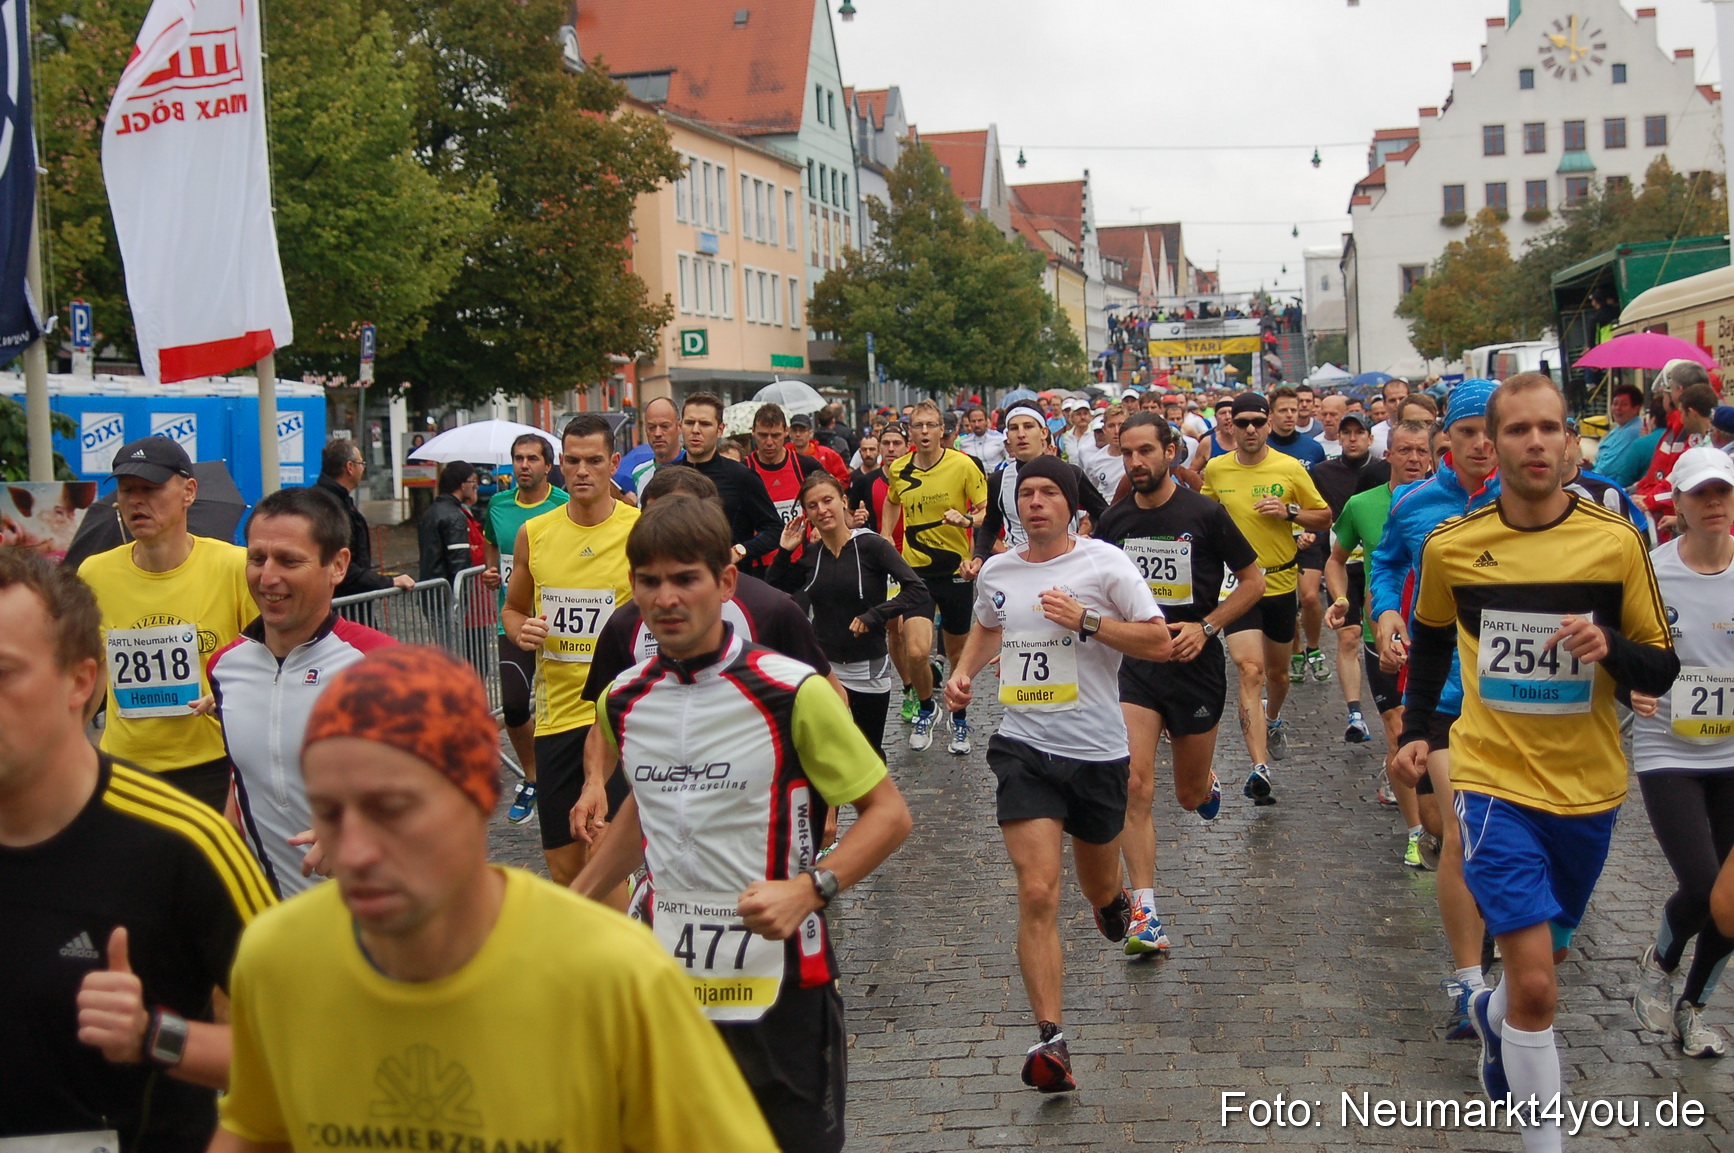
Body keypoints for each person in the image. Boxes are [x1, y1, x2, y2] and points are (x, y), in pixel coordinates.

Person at [211, 646, 778, 1153]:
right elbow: (257, 1129)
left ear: (480, 798)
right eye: (330, 812)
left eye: (394, 809)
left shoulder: (612, 974)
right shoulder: (277, 957)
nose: (355, 852)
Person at [572, 497, 912, 1153]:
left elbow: (890, 815)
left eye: (685, 578)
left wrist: (809, 889)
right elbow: (645, 801)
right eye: (649, 580)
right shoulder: (623, 697)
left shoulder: (791, 690)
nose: (666, 597)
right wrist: (573, 904)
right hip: (671, 980)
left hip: (783, 981)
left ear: (725, 582)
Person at [1391, 374, 1677, 1152]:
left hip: (1587, 787)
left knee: (1536, 967)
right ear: (1486, 444)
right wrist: (1418, 728)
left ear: (1572, 440)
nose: (1536, 443)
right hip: (1491, 780)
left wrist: (1606, 646)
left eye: (1551, 428)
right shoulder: (1454, 544)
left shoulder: (1616, 542)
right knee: (1541, 988)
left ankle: (1491, 1016)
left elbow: (1659, 668)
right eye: (1517, 430)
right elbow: (1434, 640)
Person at [0, 549, 274, 1153]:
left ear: (81, 682)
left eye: (2, 674)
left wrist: (155, 1036)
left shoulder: (184, 843)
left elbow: (300, 1053)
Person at [943, 455, 1171, 1091]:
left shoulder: (1105, 564)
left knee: (1098, 887)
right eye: (1027, 492)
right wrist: (963, 674)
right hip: (1024, 747)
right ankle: (1052, 1040)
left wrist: (1087, 620)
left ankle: (1112, 903)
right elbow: (989, 628)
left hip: (1098, 753)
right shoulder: (998, 570)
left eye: (1050, 492)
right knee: (1039, 890)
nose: (1037, 501)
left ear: (1071, 505)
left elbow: (1158, 641)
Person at [571, 467, 844, 844]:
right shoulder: (624, 623)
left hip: (761, 827)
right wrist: (594, 783)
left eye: (683, 515)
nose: (670, 529)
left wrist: (827, 802)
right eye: (655, 517)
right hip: (667, 823)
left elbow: (832, 698)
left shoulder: (772, 609)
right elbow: (606, 722)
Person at [1094, 414, 1263, 954]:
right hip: (1136, 667)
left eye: (1146, 451)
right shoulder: (1114, 522)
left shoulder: (1205, 514)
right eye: (1127, 453)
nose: (1136, 462)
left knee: (1186, 797)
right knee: (1134, 785)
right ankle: (1146, 915)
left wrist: (1208, 625)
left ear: (1171, 451)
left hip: (1195, 663)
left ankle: (1204, 784)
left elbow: (1255, 581)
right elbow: (1094, 592)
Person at [1373, 380, 1500, 1036]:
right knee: (1456, 828)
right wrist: (1388, 608)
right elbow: (1387, 563)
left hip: (1524, 701)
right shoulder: (1420, 503)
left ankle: (1500, 921)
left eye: (1495, 429)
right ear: (1449, 435)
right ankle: (1470, 980)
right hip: (1447, 693)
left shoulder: (1537, 502)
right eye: (1471, 430)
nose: (1484, 444)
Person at [209, 487, 395, 898]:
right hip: (279, 921)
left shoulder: (381, 662)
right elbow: (244, 779)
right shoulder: (224, 668)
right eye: (257, 558)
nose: (268, 577)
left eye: (289, 561)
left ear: (338, 565)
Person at [77, 436, 257, 811]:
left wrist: (227, 694)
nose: (136, 501)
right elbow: (91, 668)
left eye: (151, 489)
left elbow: (268, 658)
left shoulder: (232, 566)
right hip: (126, 767)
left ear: (189, 491)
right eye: (127, 490)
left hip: (213, 765)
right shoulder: (95, 572)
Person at [501, 415, 638, 887]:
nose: (582, 471)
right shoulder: (534, 533)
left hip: (620, 716)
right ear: (560, 464)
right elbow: (513, 609)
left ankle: (623, 957)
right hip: (558, 717)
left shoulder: (639, 531)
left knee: (608, 858)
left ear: (613, 463)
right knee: (564, 866)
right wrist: (523, 631)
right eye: (573, 461)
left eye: (594, 461)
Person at [1628, 447, 1734, 1059]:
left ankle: (1693, 1009)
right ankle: (1662, 958)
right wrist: (1630, 685)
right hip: (1669, 747)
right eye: (1701, 494)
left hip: (1733, 755)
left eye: (1723, 491)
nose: (1714, 503)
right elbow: (1624, 647)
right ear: (1680, 503)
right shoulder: (1652, 571)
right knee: (1703, 885)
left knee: (1731, 901)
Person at [1200, 394, 1331, 805]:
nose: (1251, 429)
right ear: (1230, 426)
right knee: (1249, 669)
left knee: (1277, 675)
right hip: (1236, 587)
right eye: (1243, 422)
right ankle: (1260, 767)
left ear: (1269, 423)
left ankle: (1272, 719)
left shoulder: (1289, 468)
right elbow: (1204, 514)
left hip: (1279, 583)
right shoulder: (1217, 468)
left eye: (1258, 421)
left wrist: (1290, 512)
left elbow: (1324, 516)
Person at [1325, 419, 1433, 865]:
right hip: (1381, 635)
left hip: (1440, 638)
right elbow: (1334, 559)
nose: (1413, 459)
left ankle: (1446, 816)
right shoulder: (1363, 504)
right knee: (1398, 732)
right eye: (1404, 450)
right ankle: (1417, 832)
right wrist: (1343, 598)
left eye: (1421, 451)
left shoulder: (1451, 504)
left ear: (1432, 456)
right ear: (1386, 454)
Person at [767, 472, 930, 758]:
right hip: (825, 667)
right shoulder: (813, 554)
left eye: (828, 500)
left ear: (844, 502)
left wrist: (874, 616)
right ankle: (832, 806)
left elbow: (917, 590)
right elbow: (776, 586)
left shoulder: (871, 546)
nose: (822, 510)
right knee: (830, 754)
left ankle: (878, 804)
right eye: (813, 505)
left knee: (867, 753)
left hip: (868, 667)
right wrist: (784, 551)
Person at [882, 399, 989, 754]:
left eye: (931, 425)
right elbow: (893, 499)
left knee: (957, 655)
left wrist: (967, 521)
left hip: (956, 571)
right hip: (916, 571)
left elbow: (984, 511)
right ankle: (927, 707)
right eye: (918, 426)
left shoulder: (963, 465)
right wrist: (886, 535)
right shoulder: (898, 468)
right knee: (916, 649)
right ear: (909, 431)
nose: (924, 432)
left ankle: (959, 719)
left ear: (943, 430)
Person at [480, 434, 569, 823]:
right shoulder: (498, 505)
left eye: (532, 458)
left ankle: (573, 778)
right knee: (514, 706)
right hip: (514, 618)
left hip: (558, 621)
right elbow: (490, 545)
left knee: (572, 708)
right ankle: (534, 776)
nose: (523, 465)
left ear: (548, 466)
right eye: (518, 458)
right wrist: (489, 572)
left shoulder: (564, 505)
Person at [1308, 410, 1391, 741]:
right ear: (1338, 439)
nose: (1353, 438)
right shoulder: (1323, 472)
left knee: (1380, 637)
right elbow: (1310, 509)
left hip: (1378, 565)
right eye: (1347, 433)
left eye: (1360, 432)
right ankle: (1355, 712)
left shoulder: (1385, 471)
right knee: (1348, 636)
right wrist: (1305, 534)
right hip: (1340, 563)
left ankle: (1391, 703)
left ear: (1371, 438)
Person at [972, 402, 1110, 572]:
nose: (1021, 434)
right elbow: (990, 525)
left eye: (1028, 426)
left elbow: (1105, 515)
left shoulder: (1069, 474)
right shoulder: (998, 480)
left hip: (1068, 569)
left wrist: (1092, 544)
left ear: (1044, 432)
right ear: (1007, 436)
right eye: (1014, 428)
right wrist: (978, 558)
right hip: (1020, 570)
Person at [679, 392, 784, 567]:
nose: (695, 430)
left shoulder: (741, 477)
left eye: (705, 424)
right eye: (690, 423)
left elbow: (775, 530)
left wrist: (739, 551)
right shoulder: (667, 477)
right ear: (680, 425)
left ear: (720, 430)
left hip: (730, 582)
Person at [316, 439, 415, 599]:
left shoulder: (336, 501)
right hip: (342, 603)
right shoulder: (328, 507)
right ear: (349, 467)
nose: (363, 468)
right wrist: (388, 582)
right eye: (361, 463)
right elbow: (341, 565)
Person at [747, 402, 826, 540]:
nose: (769, 442)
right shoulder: (743, 470)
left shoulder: (806, 465)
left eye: (776, 435)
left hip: (801, 558)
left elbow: (832, 498)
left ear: (786, 432)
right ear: (753, 431)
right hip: (761, 558)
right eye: (763, 435)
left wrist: (821, 529)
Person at [416, 461, 480, 584]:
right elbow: (459, 564)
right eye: (472, 481)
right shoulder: (455, 516)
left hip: (429, 588)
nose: (475, 486)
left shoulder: (430, 511)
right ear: (463, 485)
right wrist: (462, 595)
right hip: (446, 592)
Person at [615, 395, 685, 497]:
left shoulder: (696, 469)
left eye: (665, 426)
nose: (657, 433)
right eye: (651, 427)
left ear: (679, 427)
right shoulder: (638, 474)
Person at [1591, 384, 1648, 485]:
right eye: (1615, 403)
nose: (1618, 408)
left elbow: (1609, 468)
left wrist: (1587, 477)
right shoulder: (1618, 428)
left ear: (1636, 409)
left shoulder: (1632, 431)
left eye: (1624, 404)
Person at [789, 413, 850, 485]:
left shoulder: (827, 454)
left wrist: (829, 487)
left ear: (810, 432)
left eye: (802, 430)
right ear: (790, 433)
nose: (798, 434)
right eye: (794, 430)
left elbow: (844, 478)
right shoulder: (785, 457)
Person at [957, 404, 1008, 470]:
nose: (977, 424)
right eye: (973, 421)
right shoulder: (964, 442)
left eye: (980, 420)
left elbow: (1008, 459)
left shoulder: (999, 438)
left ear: (986, 421)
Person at [1369, 378, 1409, 457]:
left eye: (1402, 399)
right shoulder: (1374, 433)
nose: (1398, 404)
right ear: (1384, 403)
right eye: (1392, 400)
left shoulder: (1425, 427)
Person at [1316, 393, 1347, 460]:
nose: (1328, 419)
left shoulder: (1352, 443)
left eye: (1333, 414)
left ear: (1344, 415)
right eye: (1324, 414)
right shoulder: (1315, 445)